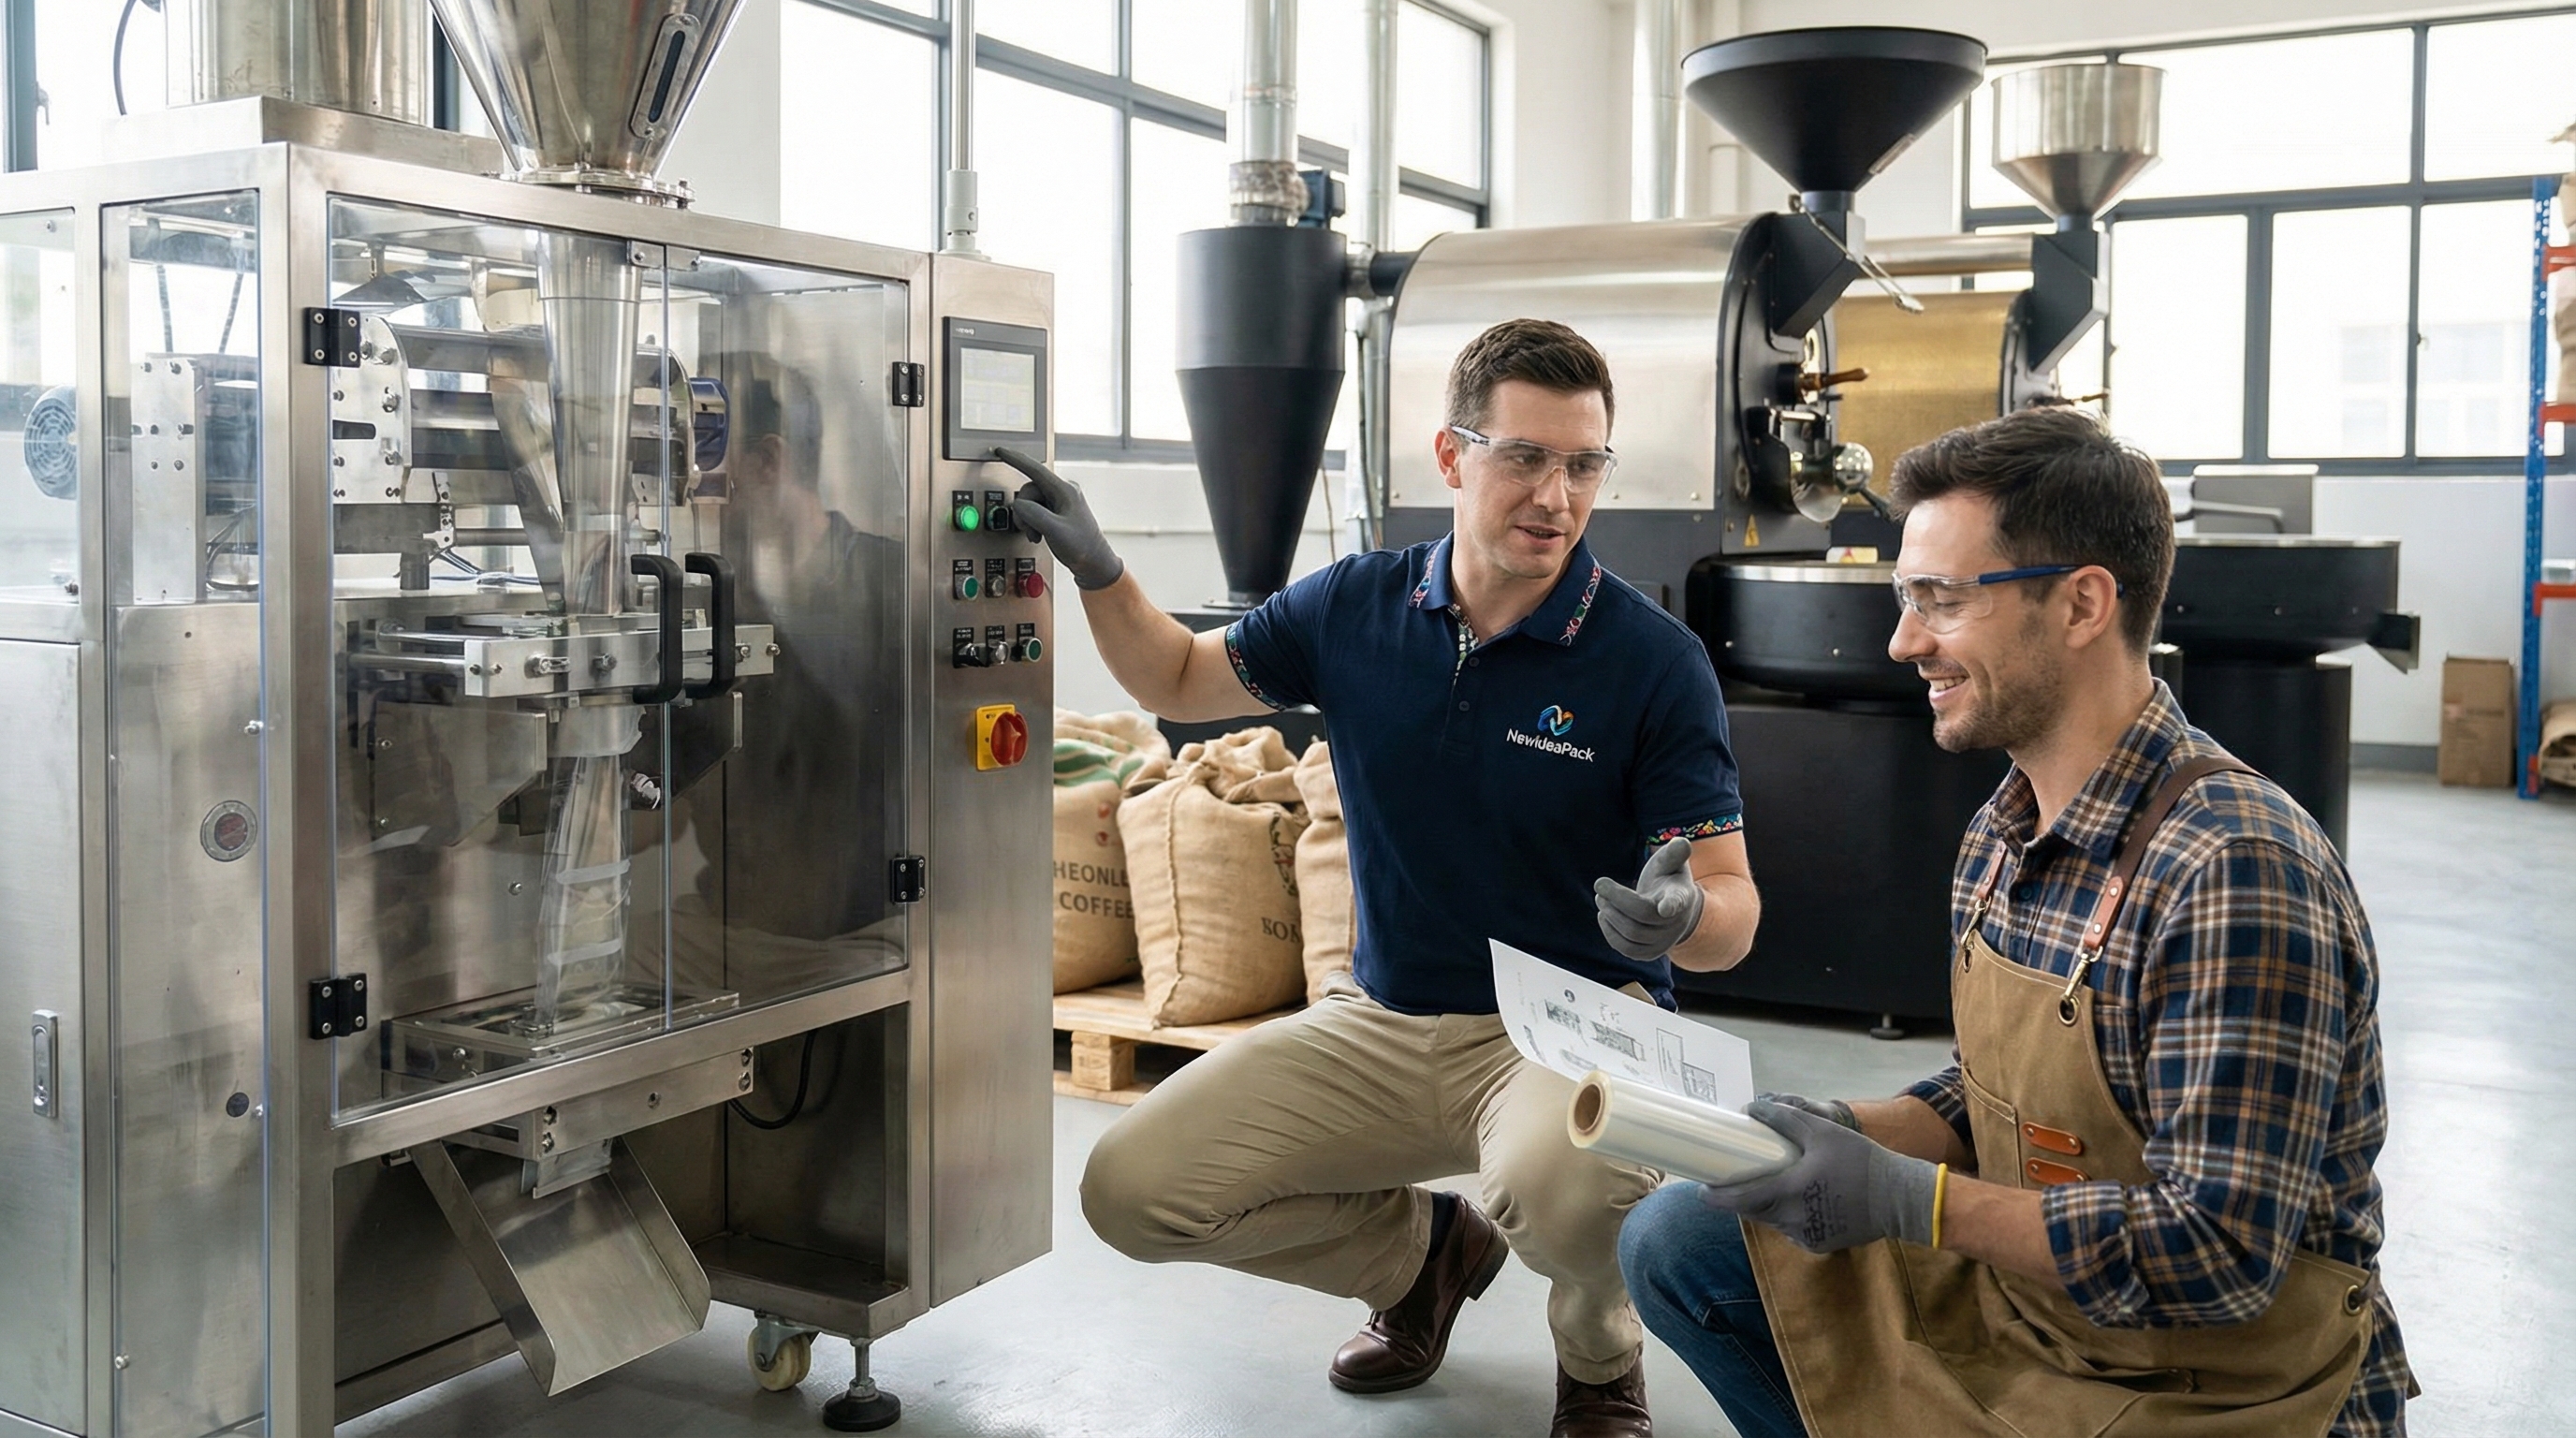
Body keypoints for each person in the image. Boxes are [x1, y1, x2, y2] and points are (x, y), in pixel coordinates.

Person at [1000, 319, 1760, 1438]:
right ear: (1452, 458)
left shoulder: (1650, 661)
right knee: (1132, 1190)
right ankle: (1423, 1260)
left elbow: (1732, 908)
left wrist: (1685, 916)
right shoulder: (1354, 606)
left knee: (1567, 1197)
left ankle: (1598, 1364)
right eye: (1524, 457)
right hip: (1383, 1020)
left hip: (1570, 1029)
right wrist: (1103, 573)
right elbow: (1175, 672)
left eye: (1582, 464)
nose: (1555, 493)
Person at [1617, 406, 2414, 1437]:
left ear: (2083, 604)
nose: (1905, 641)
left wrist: (1912, 1201)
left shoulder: (2231, 870)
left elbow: (2217, 1259)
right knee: (1684, 1237)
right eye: (1908, 598)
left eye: (1941, 600)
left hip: (2221, 1388)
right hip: (2046, 1323)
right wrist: (1829, 1134)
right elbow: (2000, 1094)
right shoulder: (2004, 828)